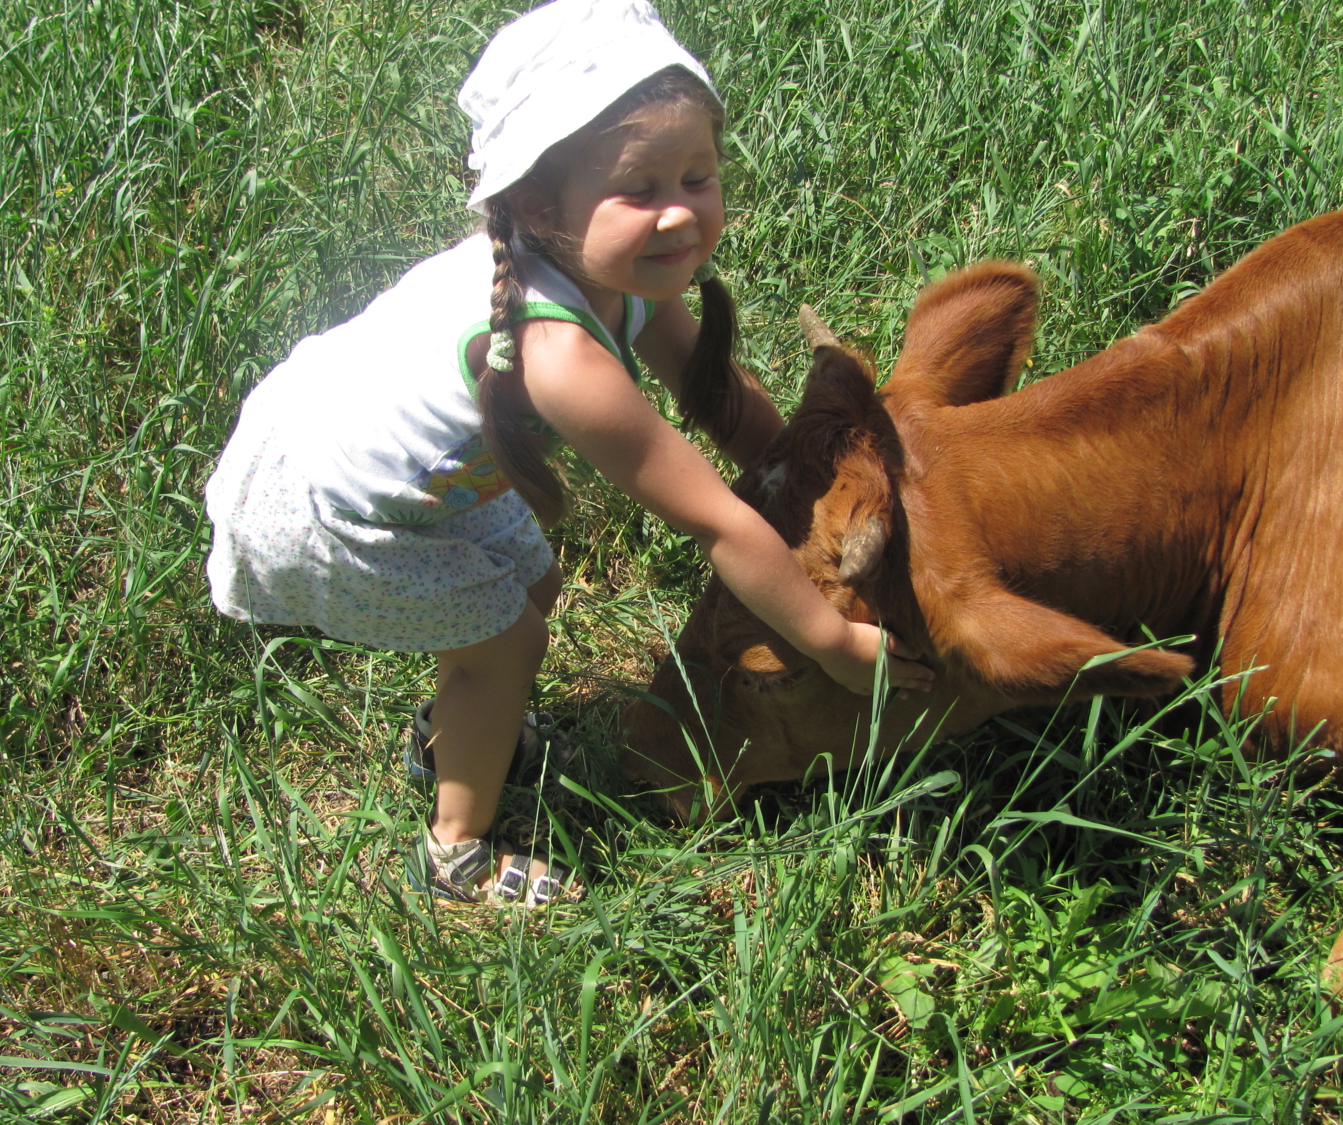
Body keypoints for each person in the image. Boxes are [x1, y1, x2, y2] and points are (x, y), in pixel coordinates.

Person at [205, 0, 934, 906]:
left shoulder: (615, 277)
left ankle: (461, 732)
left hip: (411, 476)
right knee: (508, 641)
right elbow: (711, 516)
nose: (679, 215)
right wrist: (834, 644)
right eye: (640, 188)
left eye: (697, 175)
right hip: (338, 510)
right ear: (540, 204)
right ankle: (456, 853)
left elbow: (715, 400)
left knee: (534, 587)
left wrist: (798, 479)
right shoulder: (561, 357)